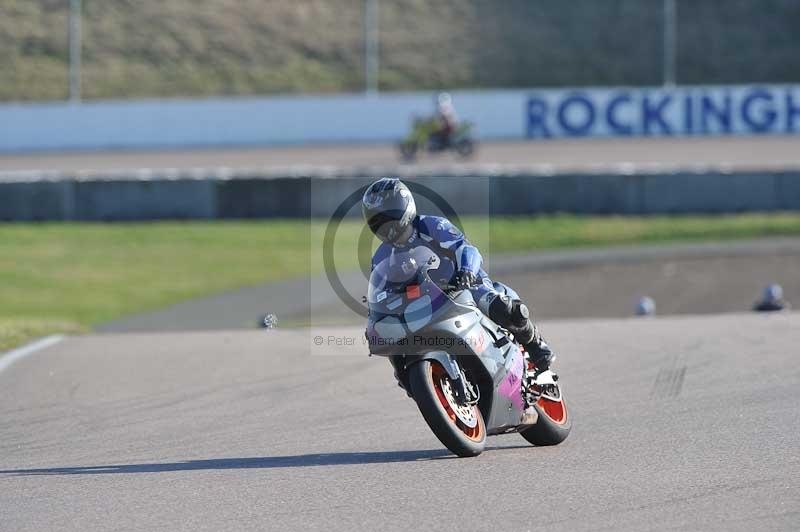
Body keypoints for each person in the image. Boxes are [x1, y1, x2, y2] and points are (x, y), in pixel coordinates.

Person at [362, 177, 555, 371]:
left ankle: (536, 344)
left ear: (405, 206)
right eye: (377, 220)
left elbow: (466, 249)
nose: (385, 224)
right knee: (397, 350)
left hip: (463, 284)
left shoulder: (432, 226)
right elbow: (380, 291)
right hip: (421, 301)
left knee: (500, 307)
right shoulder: (380, 256)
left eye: (389, 215)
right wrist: (375, 318)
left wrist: (466, 272)